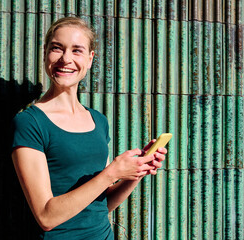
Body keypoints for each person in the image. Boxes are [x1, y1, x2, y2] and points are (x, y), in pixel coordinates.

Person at [11, 17, 167, 239]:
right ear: (45, 52)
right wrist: (112, 172)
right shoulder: (30, 123)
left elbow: (100, 203)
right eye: (57, 48)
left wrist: (135, 172)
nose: (66, 59)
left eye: (77, 50)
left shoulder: (98, 121)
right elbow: (46, 217)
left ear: (90, 58)